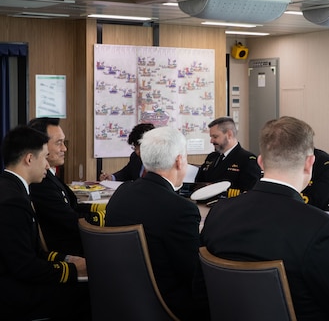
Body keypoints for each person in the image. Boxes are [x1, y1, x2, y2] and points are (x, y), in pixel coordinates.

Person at [201, 116, 329, 321]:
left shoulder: (219, 212)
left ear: (260, 162)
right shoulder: (319, 227)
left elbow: (200, 289)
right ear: (309, 163)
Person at [105, 126, 209, 320]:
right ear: (179, 161)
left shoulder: (121, 193)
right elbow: (194, 273)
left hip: (122, 299)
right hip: (165, 304)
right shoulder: (181, 210)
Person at [0, 126, 90, 320]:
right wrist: (73, 271)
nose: (47, 166)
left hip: (17, 280)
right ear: (29, 159)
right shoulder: (13, 201)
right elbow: (24, 266)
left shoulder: (13, 188)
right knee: (89, 293)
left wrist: (67, 259)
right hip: (12, 295)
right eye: (44, 157)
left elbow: (32, 252)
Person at [28, 117, 105, 256]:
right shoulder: (40, 183)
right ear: (41, 146)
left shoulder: (49, 176)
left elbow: (73, 206)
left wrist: (106, 209)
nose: (65, 148)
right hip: (71, 249)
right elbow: (70, 221)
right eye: (59, 143)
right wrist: (109, 216)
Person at [194, 116, 261, 197]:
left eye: (215, 137)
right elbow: (198, 183)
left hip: (232, 206)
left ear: (229, 134)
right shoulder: (212, 157)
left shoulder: (247, 160)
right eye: (211, 137)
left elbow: (249, 192)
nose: (211, 141)